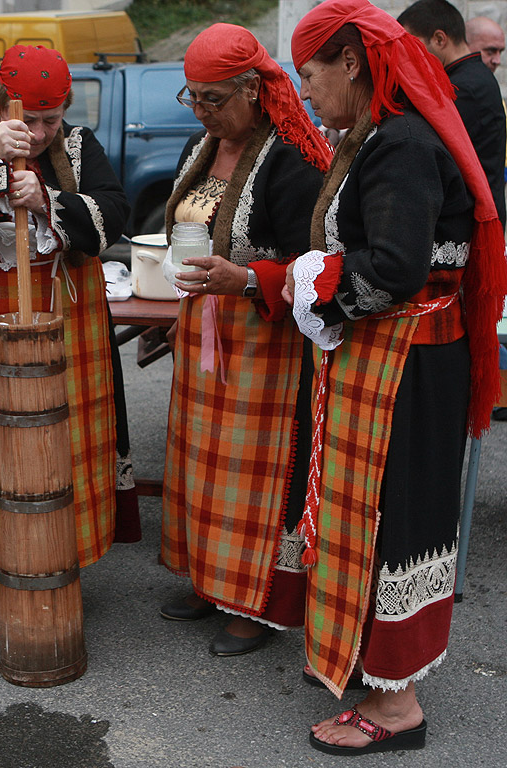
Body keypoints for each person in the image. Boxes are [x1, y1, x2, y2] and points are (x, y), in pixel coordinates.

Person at [288, 0, 507, 753]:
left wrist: (318, 295)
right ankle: (378, 671)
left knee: (398, 516)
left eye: (310, 75)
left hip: (410, 364)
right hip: (407, 358)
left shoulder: (401, 142)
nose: (306, 91)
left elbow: (397, 267)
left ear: (350, 63)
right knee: (384, 511)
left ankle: (396, 709)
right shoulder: (385, 134)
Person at [0, 45, 140, 644]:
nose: (39, 134)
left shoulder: (81, 146)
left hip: (69, 304)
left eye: (51, 120)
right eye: (29, 121)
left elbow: (115, 214)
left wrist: (50, 201)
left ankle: (58, 566)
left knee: (66, 440)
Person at [157, 24, 330, 657]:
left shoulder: (291, 158)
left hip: (264, 341)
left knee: (256, 474)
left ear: (253, 91)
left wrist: (247, 278)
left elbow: (314, 260)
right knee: (201, 463)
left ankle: (256, 603)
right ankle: (210, 580)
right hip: (203, 331)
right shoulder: (199, 148)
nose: (202, 111)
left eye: (214, 99)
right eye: (193, 98)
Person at [398, 0, 506, 226]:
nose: (407, 56)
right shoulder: (469, 77)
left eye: (413, 45)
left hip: (473, 222)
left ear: (439, 39)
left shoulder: (464, 87)